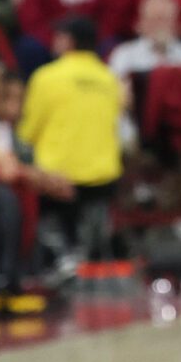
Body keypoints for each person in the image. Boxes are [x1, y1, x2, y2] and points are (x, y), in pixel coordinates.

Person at [20, 14, 126, 259]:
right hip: (103, 179)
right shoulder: (111, 79)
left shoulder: (46, 77)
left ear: (68, 41)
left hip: (55, 179)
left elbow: (29, 132)